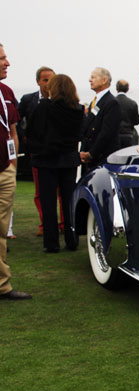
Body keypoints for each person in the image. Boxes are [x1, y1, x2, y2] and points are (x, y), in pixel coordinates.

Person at [27, 74, 83, 253]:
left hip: (47, 159)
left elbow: (32, 130)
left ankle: (51, 242)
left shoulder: (44, 107)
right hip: (69, 159)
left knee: (48, 202)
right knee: (68, 201)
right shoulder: (78, 109)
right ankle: (71, 239)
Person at [0, 44, 31, 299]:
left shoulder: (7, 91)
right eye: (2, 58)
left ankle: (2, 285)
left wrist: (13, 165)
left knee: (1, 230)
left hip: (5, 169)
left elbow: (12, 130)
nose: (7, 62)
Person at [18, 66, 57, 236]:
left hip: (58, 152)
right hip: (37, 152)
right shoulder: (28, 100)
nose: (48, 84)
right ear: (38, 81)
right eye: (45, 80)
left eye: (52, 80)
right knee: (40, 191)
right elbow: (17, 120)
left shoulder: (62, 100)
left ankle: (62, 224)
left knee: (62, 192)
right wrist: (25, 138)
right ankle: (44, 224)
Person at [80, 67, 120, 169]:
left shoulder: (111, 102)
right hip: (88, 156)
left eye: (93, 77)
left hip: (100, 157)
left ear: (104, 80)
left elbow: (107, 132)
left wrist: (92, 153)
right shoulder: (96, 101)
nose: (90, 80)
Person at [115, 80, 139, 148]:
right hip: (128, 136)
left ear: (116, 88)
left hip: (115, 136)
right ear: (127, 89)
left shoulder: (111, 102)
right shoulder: (132, 103)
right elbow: (137, 121)